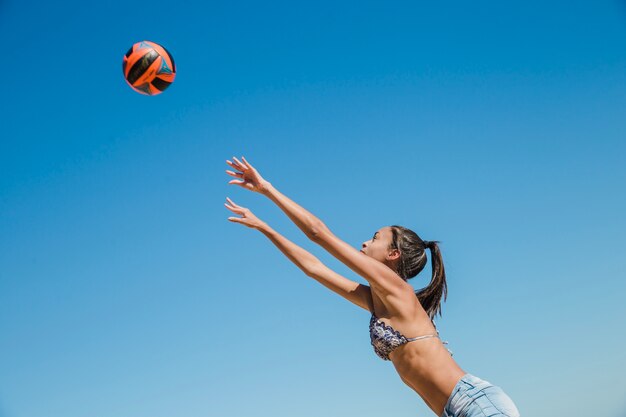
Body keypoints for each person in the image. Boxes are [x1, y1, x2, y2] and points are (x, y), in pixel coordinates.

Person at [224, 156, 520, 417]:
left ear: (394, 254)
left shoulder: (396, 288)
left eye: (375, 237)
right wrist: (264, 227)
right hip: (451, 410)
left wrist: (268, 190)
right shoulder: (376, 300)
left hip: (475, 404)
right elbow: (313, 268)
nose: (366, 241)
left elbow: (318, 233)